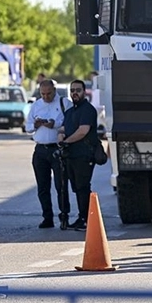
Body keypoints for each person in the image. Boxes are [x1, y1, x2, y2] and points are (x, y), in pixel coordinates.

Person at [25, 79, 73, 230]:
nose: (46, 97)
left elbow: (71, 124)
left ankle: (64, 216)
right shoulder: (36, 105)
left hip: (57, 149)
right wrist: (36, 124)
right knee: (43, 187)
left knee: (61, 185)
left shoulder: (64, 103)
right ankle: (47, 217)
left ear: (54, 90)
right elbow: (27, 127)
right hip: (40, 150)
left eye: (49, 93)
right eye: (43, 94)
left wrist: (56, 124)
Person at [58, 79, 98, 231]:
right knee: (76, 187)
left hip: (84, 155)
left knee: (82, 187)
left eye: (78, 90)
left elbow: (83, 131)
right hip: (71, 156)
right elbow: (63, 128)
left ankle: (87, 218)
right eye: (72, 90)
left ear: (84, 92)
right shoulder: (70, 111)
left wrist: (66, 141)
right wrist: (60, 136)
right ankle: (82, 217)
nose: (75, 93)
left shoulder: (87, 110)